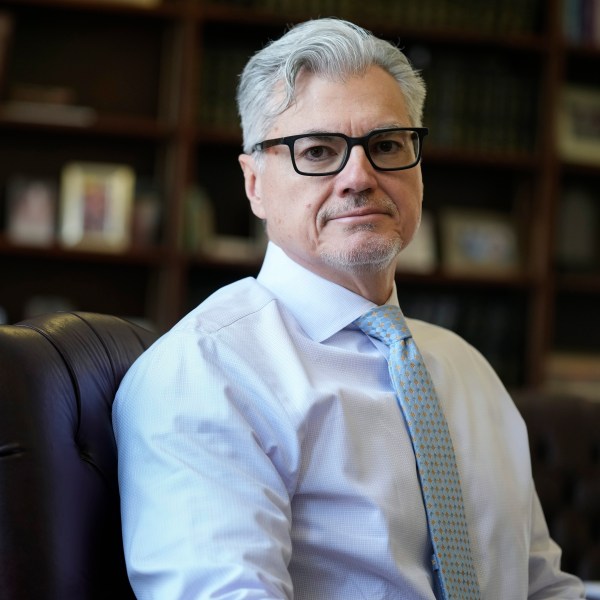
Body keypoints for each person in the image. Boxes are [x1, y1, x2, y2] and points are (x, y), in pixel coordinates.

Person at [113, 18, 585, 599]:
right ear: (254, 182)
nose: (358, 177)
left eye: (386, 146)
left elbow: (541, 587)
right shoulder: (207, 374)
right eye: (317, 150)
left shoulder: (467, 369)